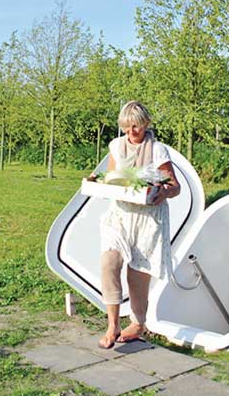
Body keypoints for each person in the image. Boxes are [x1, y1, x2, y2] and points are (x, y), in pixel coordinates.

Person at [92, 101, 181, 349]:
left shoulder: (157, 150)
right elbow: (110, 179)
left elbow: (174, 186)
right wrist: (97, 182)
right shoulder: (116, 147)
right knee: (109, 262)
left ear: (146, 125)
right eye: (128, 126)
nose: (132, 131)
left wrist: (162, 192)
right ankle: (112, 325)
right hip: (120, 214)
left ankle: (139, 323)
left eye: (137, 126)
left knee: (137, 273)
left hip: (148, 217)